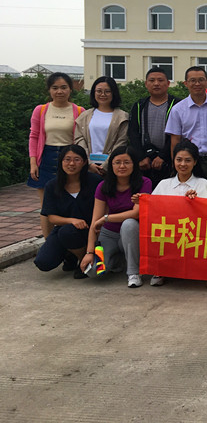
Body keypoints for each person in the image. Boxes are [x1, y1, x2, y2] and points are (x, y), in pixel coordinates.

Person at [79, 146, 152, 288]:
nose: (122, 166)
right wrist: (89, 252)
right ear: (111, 165)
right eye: (117, 162)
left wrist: (106, 218)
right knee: (93, 271)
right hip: (109, 234)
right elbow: (95, 221)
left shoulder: (144, 183)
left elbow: (135, 213)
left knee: (129, 223)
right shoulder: (103, 186)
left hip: (133, 233)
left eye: (127, 162)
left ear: (134, 164)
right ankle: (118, 260)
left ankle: (133, 273)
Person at [147, 139, 207, 287]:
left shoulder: (203, 183)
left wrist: (194, 201)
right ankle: (160, 270)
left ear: (195, 162)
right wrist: (141, 201)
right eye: (179, 160)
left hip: (192, 231)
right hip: (168, 230)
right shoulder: (164, 184)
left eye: (188, 160)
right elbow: (152, 209)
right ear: (173, 160)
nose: (183, 164)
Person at [28, 72, 84, 236]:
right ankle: (48, 243)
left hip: (70, 159)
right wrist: (33, 163)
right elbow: (34, 136)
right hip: (46, 157)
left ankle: (69, 240)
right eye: (55, 88)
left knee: (70, 201)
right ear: (49, 90)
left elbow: (83, 138)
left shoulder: (79, 111)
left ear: (70, 89)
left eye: (64, 87)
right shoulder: (41, 110)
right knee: (46, 206)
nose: (59, 91)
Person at [34, 145, 101, 277]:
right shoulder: (52, 185)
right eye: (67, 159)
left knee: (67, 232)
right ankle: (71, 253)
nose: (71, 164)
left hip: (92, 229)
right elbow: (52, 217)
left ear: (84, 162)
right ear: (61, 161)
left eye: (76, 159)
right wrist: (72, 221)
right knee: (43, 262)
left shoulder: (95, 182)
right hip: (66, 230)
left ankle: (83, 261)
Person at [165, 66, 207, 180]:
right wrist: (175, 166)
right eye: (193, 80)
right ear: (186, 83)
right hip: (188, 161)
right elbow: (175, 140)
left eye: (201, 80)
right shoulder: (178, 109)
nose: (197, 84)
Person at [128, 67, 179, 187]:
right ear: (146, 84)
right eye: (152, 80)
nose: (156, 83)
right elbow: (132, 133)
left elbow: (178, 134)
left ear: (168, 83)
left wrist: (162, 156)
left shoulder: (177, 105)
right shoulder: (139, 105)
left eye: (160, 80)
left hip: (168, 161)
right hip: (144, 163)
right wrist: (141, 157)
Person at [74, 76, 129, 176]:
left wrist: (105, 165)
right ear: (93, 93)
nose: (103, 94)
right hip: (88, 166)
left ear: (113, 93)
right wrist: (89, 163)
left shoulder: (123, 117)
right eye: (99, 91)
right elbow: (79, 139)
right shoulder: (84, 116)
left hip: (113, 166)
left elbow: (121, 143)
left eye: (107, 91)